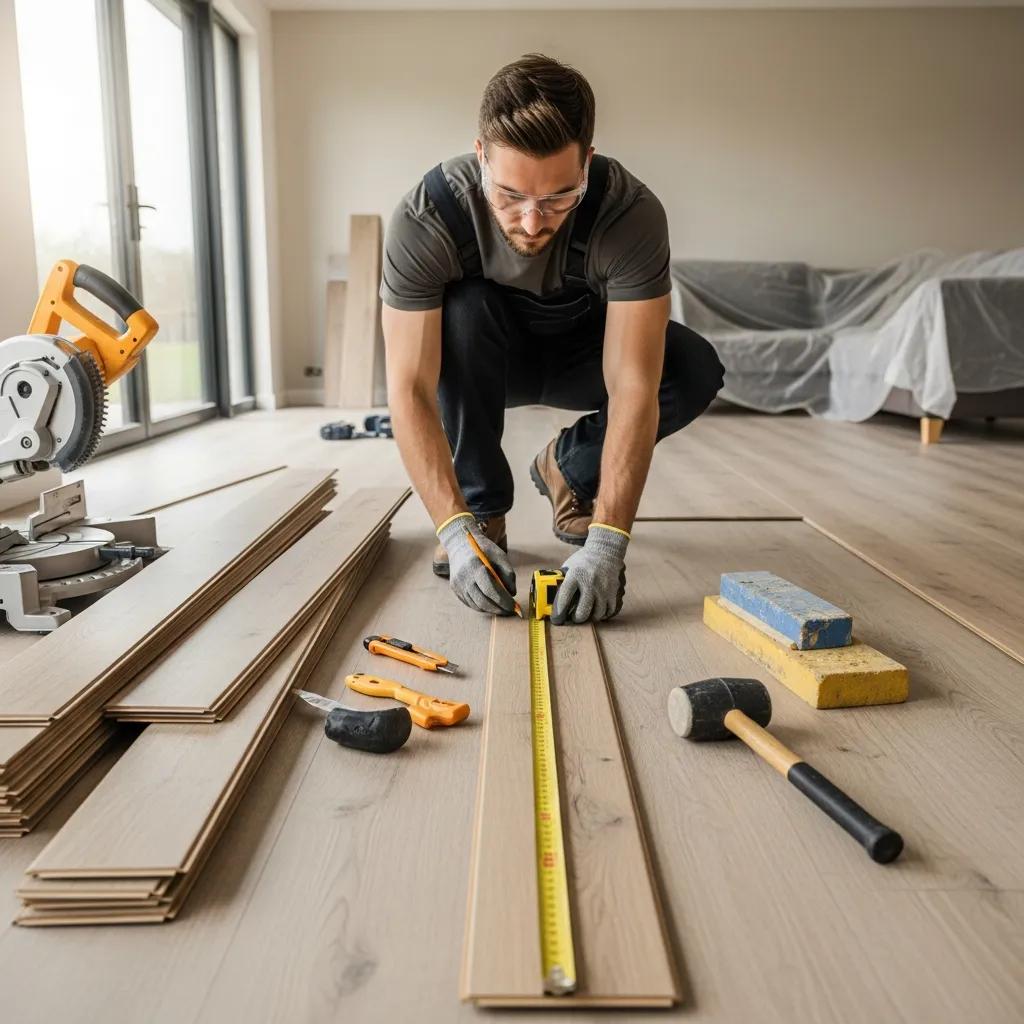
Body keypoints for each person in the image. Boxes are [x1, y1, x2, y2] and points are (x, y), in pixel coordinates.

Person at [381, 53, 724, 625]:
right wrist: (455, 531)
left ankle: (571, 467)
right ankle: (482, 511)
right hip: (478, 361)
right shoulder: (427, 217)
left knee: (690, 367)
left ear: (587, 162)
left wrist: (610, 540)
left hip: (579, 356)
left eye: (559, 197)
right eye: (511, 196)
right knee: (464, 308)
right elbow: (410, 387)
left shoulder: (630, 214)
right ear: (481, 155)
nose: (533, 221)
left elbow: (633, 384)